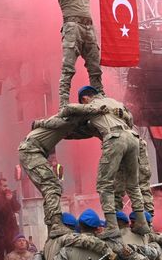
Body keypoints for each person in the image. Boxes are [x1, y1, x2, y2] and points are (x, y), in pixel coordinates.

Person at [57, 86, 148, 237]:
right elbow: (130, 120)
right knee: (133, 184)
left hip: (115, 138)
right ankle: (141, 223)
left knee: (104, 184)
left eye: (83, 101)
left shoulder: (91, 105)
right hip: (133, 138)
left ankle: (111, 226)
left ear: (85, 98)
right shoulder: (114, 102)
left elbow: (69, 110)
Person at [19, 112, 95, 236]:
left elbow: (78, 134)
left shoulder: (67, 125)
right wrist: (40, 123)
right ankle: (56, 223)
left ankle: (51, 222)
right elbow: (57, 123)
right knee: (52, 187)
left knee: (51, 189)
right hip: (32, 151)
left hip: (32, 151)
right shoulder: (66, 121)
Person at [56, 0, 103, 108]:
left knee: (95, 67)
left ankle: (100, 97)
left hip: (88, 27)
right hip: (72, 27)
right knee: (68, 67)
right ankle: (63, 103)